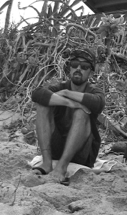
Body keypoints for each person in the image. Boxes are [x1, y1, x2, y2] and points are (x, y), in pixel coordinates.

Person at [31, 47, 105, 185]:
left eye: (84, 66)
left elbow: (98, 103)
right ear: (69, 68)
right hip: (56, 148)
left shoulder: (94, 91)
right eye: (74, 65)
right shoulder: (59, 86)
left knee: (81, 112)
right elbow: (37, 94)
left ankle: (61, 167)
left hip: (81, 153)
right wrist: (69, 102)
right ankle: (47, 163)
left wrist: (66, 93)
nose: (78, 69)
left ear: (90, 72)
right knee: (42, 105)